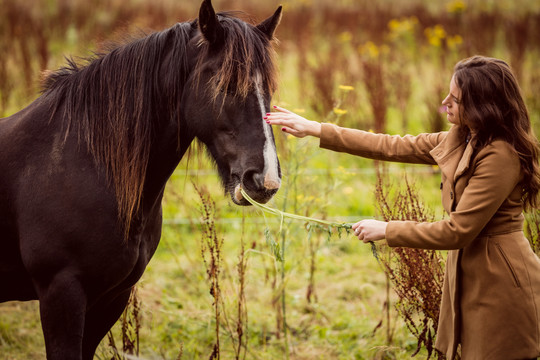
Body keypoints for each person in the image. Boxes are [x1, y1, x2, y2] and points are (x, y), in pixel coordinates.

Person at [265, 55, 540, 360]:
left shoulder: (501, 155)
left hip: (500, 280)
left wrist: (386, 229)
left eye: (456, 99)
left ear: (483, 106)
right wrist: (316, 129)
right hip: (471, 272)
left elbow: (457, 231)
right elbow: (391, 144)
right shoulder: (463, 137)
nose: (445, 102)